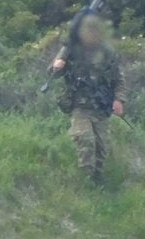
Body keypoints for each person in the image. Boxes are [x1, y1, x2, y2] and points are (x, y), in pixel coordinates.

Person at [50, 12, 126, 184]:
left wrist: (119, 100)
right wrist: (57, 66)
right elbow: (53, 74)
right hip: (80, 106)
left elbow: (119, 78)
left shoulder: (107, 53)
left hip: (101, 107)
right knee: (86, 141)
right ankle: (86, 180)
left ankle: (98, 180)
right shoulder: (70, 49)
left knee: (102, 147)